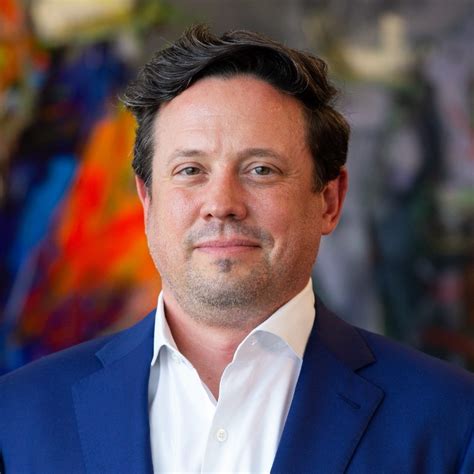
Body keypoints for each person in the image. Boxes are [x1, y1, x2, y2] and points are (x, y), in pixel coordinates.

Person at [0, 25, 473, 474]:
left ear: (329, 201)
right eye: (190, 171)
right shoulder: (15, 418)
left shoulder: (453, 419)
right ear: (147, 201)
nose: (222, 203)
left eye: (261, 170)